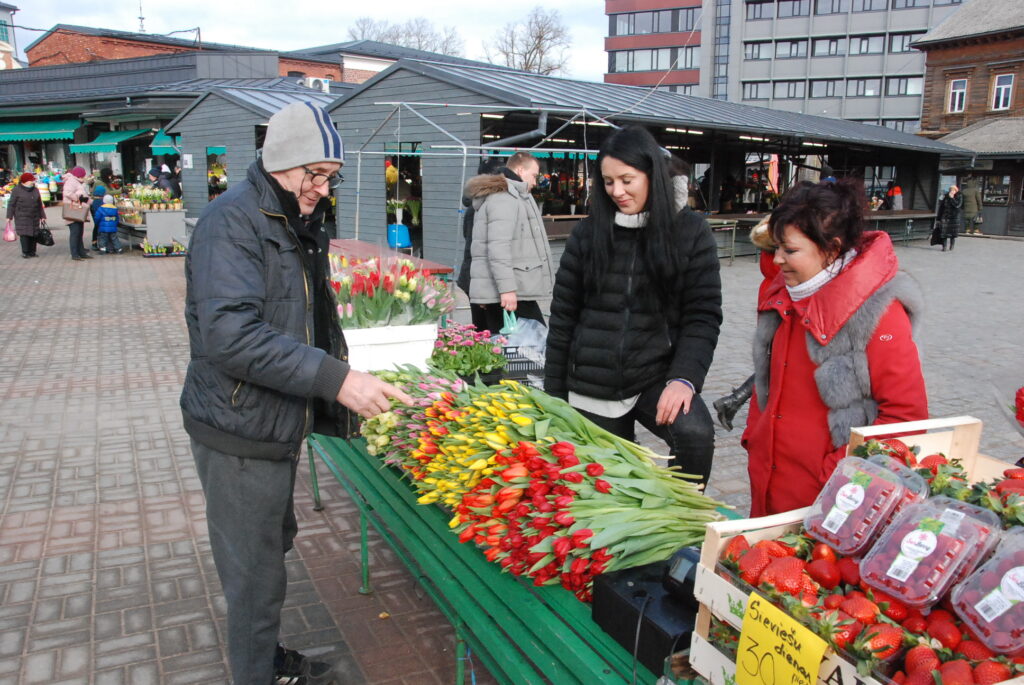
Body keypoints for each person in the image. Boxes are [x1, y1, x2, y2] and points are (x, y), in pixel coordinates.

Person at [180, 102, 413, 685]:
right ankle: (258, 673)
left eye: (329, 176)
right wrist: (338, 381)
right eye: (313, 174)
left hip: (269, 422)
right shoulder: (232, 223)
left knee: (267, 555)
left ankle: (266, 657)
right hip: (237, 429)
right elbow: (232, 337)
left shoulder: (290, 218)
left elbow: (306, 317)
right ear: (280, 163)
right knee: (254, 574)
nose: (320, 187)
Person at [545, 126, 722, 487]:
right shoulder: (587, 233)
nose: (618, 192)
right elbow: (563, 317)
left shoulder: (689, 231)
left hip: (653, 374)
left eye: (627, 180)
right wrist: (554, 398)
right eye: (608, 182)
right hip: (592, 379)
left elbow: (702, 315)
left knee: (695, 434)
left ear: (652, 174)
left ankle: (681, 518)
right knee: (613, 484)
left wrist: (684, 378)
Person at [741, 179, 928, 516]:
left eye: (790, 250)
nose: (778, 260)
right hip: (769, 478)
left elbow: (905, 418)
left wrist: (840, 477)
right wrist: (755, 434)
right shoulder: (783, 295)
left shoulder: (881, 315)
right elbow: (767, 380)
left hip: (831, 496)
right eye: (775, 248)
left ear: (831, 248)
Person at [466, 151, 555, 333]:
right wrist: (507, 290)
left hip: (507, 290)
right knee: (531, 344)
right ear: (521, 170)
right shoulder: (504, 197)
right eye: (534, 176)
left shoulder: (514, 194)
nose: (535, 182)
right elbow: (498, 248)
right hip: (506, 293)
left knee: (514, 348)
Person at [457, 156, 514, 332]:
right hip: (483, 279)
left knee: (483, 332)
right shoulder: (486, 206)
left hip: (474, 276)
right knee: (493, 334)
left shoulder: (475, 204)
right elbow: (486, 248)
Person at [6, 172, 46, 258]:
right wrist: (9, 216)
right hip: (22, 216)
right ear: (25, 181)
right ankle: (25, 252)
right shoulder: (16, 190)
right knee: (25, 235)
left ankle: (32, 251)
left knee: (34, 234)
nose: (33, 182)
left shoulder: (35, 190)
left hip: (34, 215)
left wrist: (42, 216)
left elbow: (39, 204)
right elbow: (11, 204)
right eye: (31, 180)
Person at [62, 166, 93, 261]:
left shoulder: (76, 181)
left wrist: (89, 200)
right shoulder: (71, 181)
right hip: (73, 211)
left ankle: (81, 252)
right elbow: (67, 193)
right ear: (79, 175)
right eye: (83, 175)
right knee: (75, 233)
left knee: (79, 232)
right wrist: (78, 198)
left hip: (78, 211)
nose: (84, 177)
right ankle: (75, 254)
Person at [936, 184, 964, 252]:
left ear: (956, 190)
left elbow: (957, 205)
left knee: (952, 234)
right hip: (945, 217)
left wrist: (952, 198)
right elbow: (941, 207)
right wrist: (938, 218)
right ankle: (944, 247)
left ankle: (952, 245)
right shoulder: (946, 196)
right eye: (951, 190)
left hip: (954, 217)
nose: (952, 191)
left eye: (953, 190)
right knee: (943, 233)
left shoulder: (959, 196)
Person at [90, 184, 107, 251]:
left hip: (96, 218)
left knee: (96, 227)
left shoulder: (93, 201)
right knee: (100, 230)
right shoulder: (101, 201)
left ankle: (94, 243)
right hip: (101, 219)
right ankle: (102, 244)